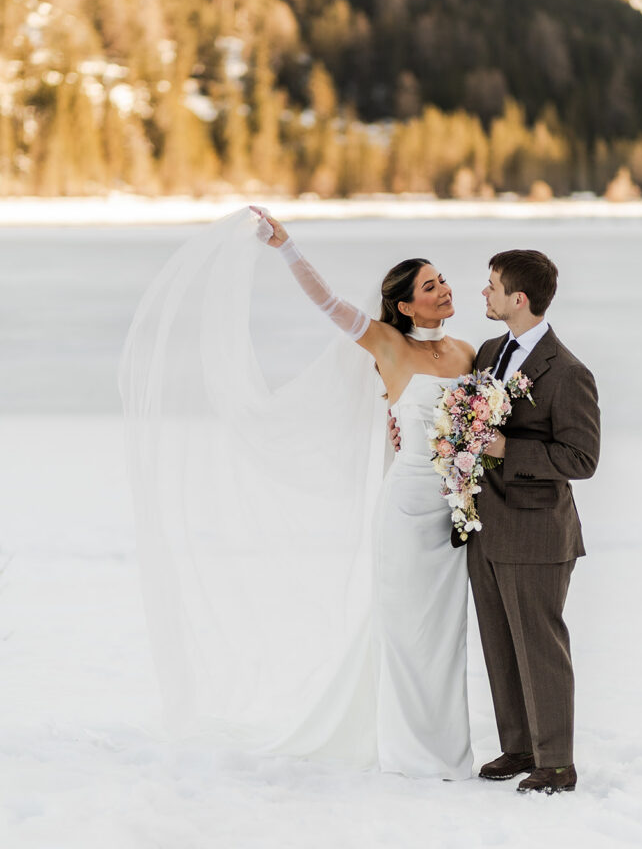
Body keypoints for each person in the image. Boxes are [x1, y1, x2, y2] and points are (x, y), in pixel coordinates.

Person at [120, 205, 475, 779]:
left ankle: (449, 748)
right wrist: (286, 247)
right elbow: (329, 304)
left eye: (443, 280)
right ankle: (410, 754)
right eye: (430, 285)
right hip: (407, 509)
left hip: (454, 511)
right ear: (406, 304)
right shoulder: (385, 343)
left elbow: (477, 420)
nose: (444, 289)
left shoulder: (466, 352)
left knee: (445, 635)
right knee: (406, 631)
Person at [390, 249, 600, 794]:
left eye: (491, 287)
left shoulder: (568, 371)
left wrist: (508, 449)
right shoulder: (488, 351)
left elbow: (582, 460)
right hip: (483, 525)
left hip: (536, 532)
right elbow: (459, 417)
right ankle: (519, 747)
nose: (481, 294)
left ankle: (556, 762)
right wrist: (416, 434)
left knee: (540, 645)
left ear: (519, 299)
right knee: (500, 642)